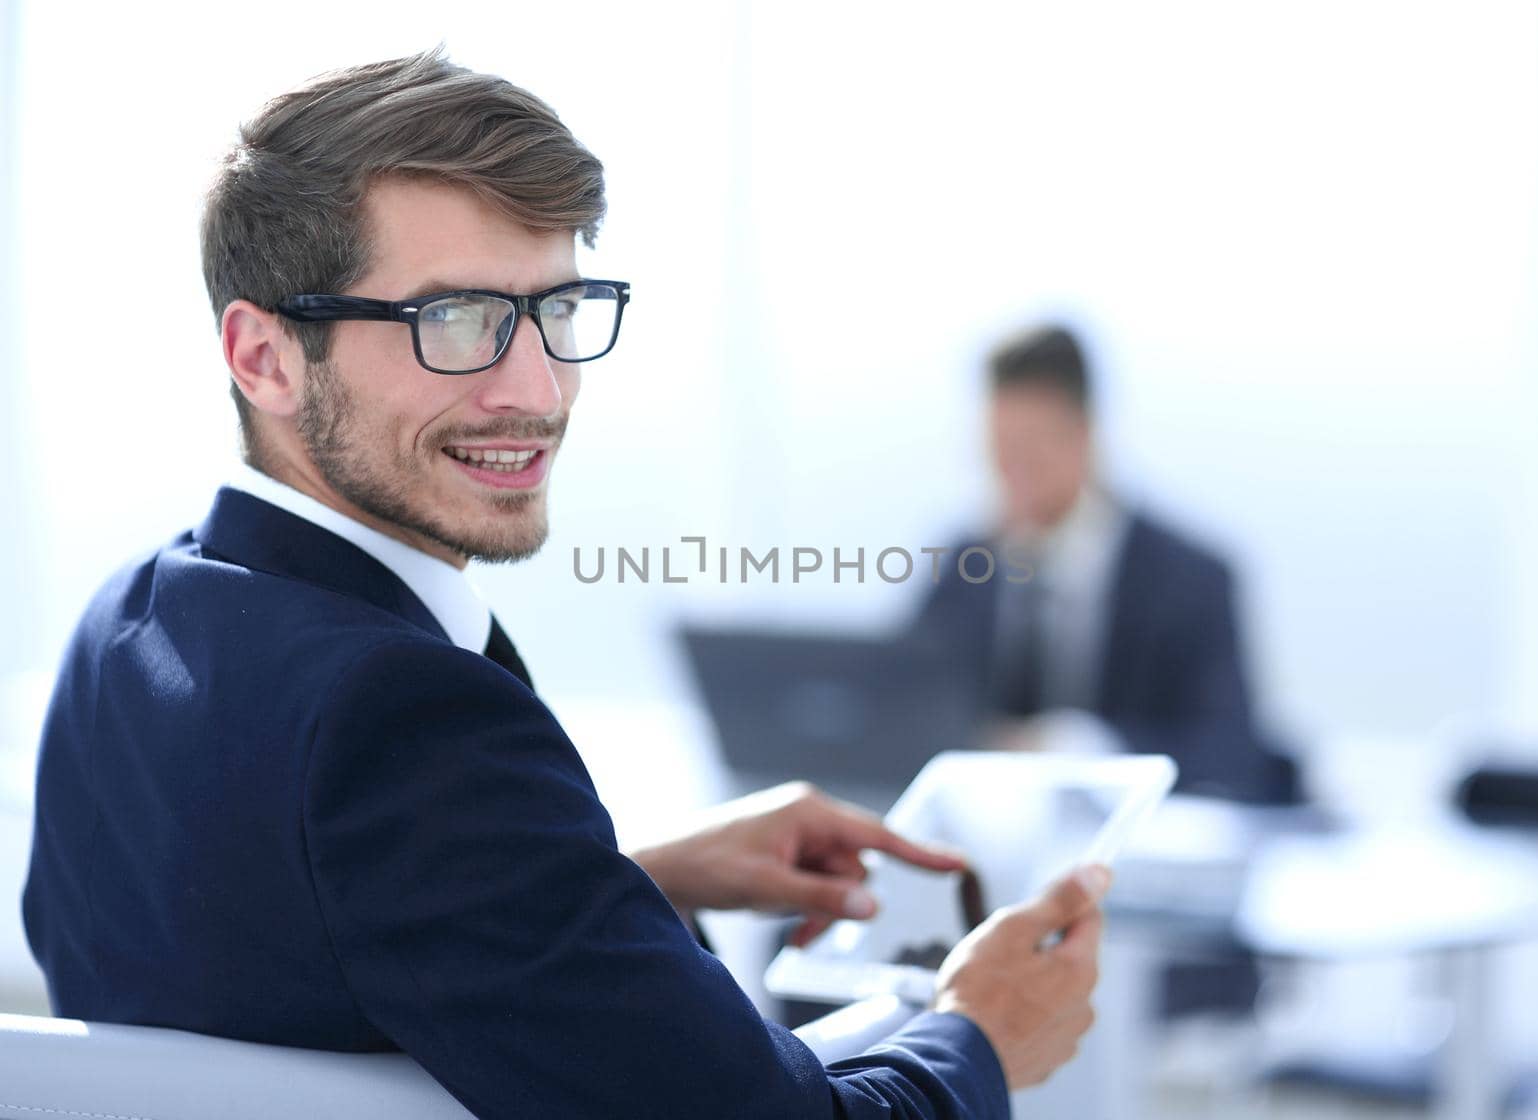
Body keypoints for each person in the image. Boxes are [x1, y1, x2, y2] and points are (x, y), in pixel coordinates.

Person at [21, 51, 1108, 1119]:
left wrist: (619, 880)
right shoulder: (403, 721)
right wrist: (981, 1035)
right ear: (264, 357)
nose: (537, 389)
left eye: (559, 308)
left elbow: (279, 941)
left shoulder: (131, 624)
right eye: (451, 321)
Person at [914, 324, 1300, 806]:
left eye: (1030, 452)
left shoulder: (1191, 580)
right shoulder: (963, 568)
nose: (1011, 477)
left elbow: (1229, 753)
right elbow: (901, 711)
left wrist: (1081, 753)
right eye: (1000, 452)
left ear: (1084, 436)